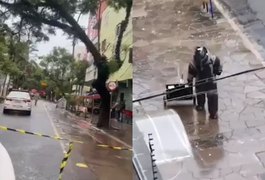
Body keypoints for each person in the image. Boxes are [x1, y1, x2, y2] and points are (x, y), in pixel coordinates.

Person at [187, 46, 222, 119]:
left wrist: (189, 83)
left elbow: (190, 77)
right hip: (207, 83)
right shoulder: (214, 59)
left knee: (205, 96)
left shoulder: (193, 63)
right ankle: (208, 110)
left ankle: (205, 108)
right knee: (208, 96)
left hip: (205, 83)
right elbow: (218, 71)